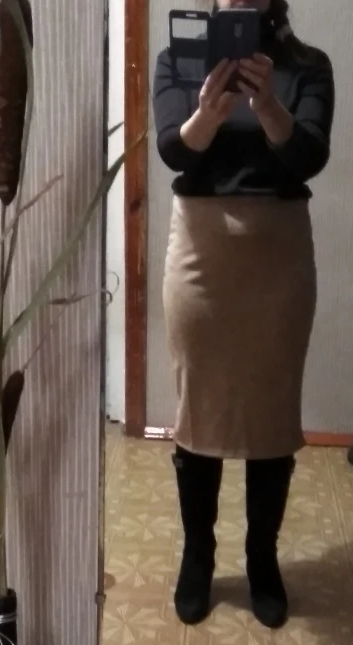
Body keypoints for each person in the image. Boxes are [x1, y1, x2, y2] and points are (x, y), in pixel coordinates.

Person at [153, 0, 335, 630]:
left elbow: (308, 157)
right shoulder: (178, 60)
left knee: (271, 412)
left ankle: (262, 560)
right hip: (200, 254)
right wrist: (210, 110)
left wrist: (266, 106)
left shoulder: (309, 65)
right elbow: (174, 152)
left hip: (277, 259)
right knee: (197, 407)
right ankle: (198, 558)